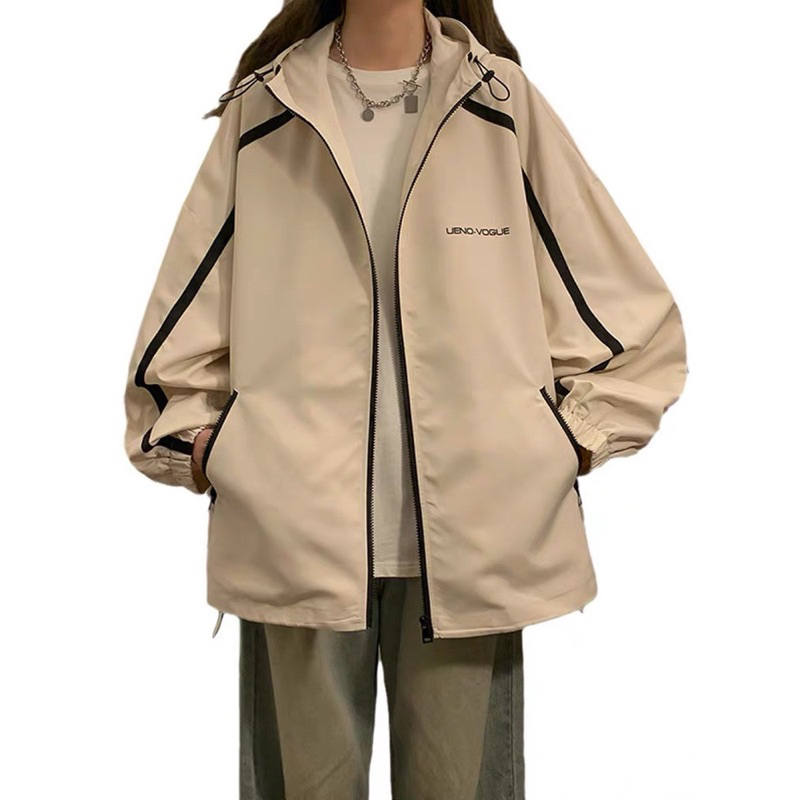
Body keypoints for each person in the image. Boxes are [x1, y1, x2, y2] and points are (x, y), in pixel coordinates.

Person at [122, 0, 688, 797]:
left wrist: (558, 441)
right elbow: (173, 350)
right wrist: (216, 451)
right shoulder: (265, 111)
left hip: (476, 544)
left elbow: (635, 327)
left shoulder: (501, 104)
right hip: (292, 542)